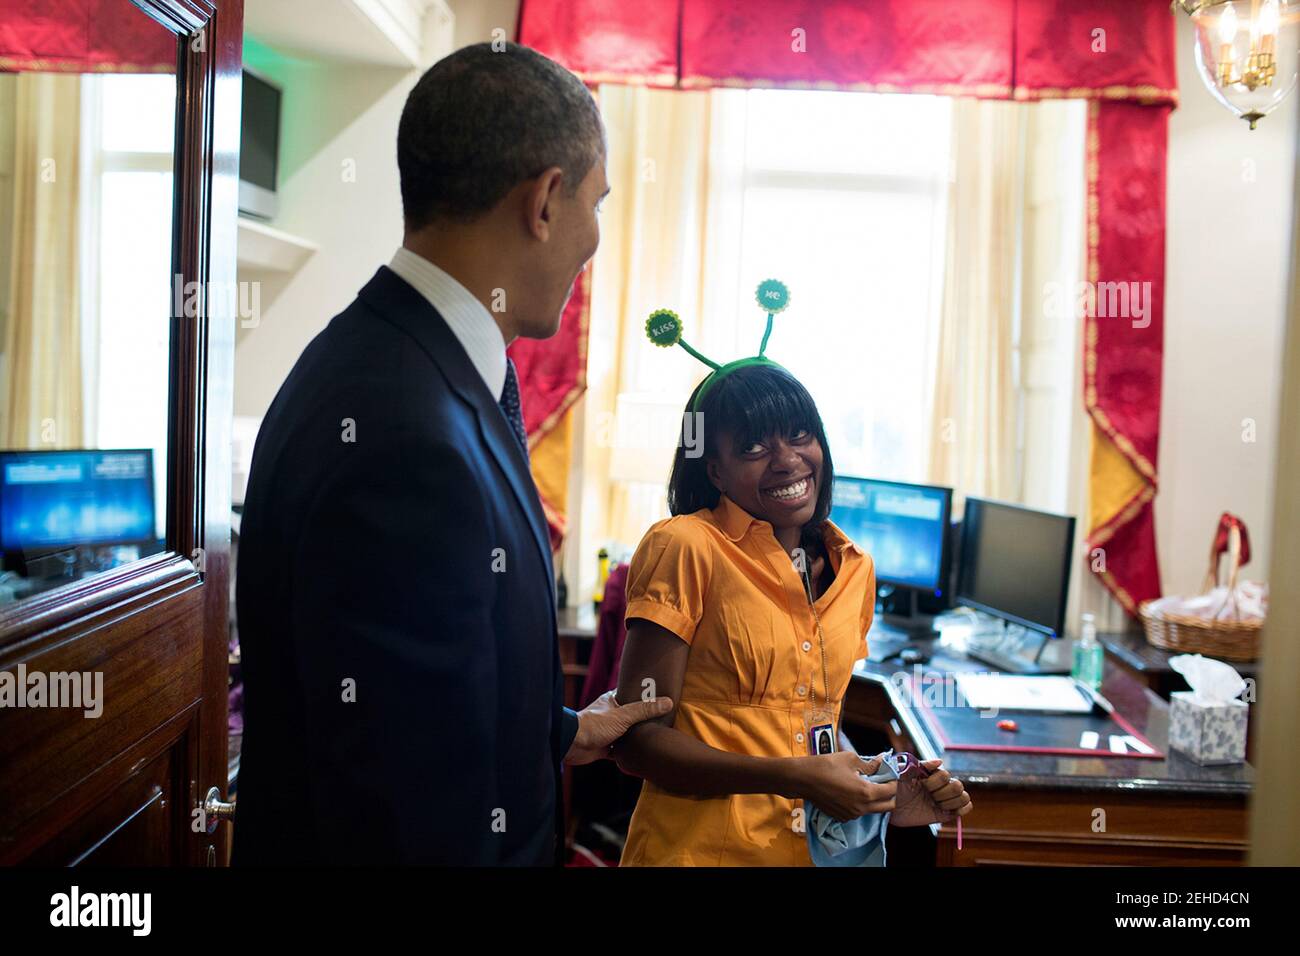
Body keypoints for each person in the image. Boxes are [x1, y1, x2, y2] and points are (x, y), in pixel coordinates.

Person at [234, 42, 668, 866]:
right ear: (545, 200)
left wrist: (566, 730)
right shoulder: (406, 442)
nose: (595, 238)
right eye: (597, 202)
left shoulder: (392, 360)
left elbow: (431, 701)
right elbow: (408, 819)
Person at [612, 363, 972, 865]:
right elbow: (636, 741)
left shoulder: (855, 568)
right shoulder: (686, 546)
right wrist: (790, 776)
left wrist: (880, 792)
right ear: (714, 470)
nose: (786, 461)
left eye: (799, 435)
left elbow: (815, 728)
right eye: (753, 448)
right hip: (700, 853)